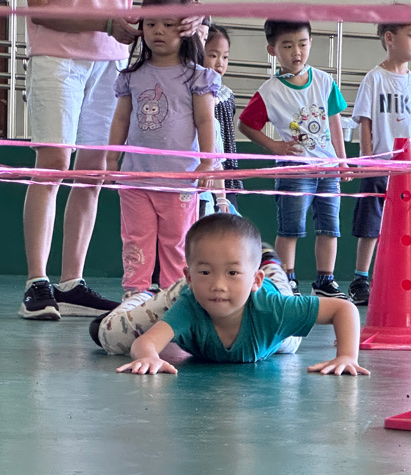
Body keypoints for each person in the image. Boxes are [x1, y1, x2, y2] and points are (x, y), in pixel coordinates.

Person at [98, 214, 369, 375]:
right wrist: (149, 357)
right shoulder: (190, 303)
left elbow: (343, 309)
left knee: (288, 341)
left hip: (268, 297)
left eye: (231, 273)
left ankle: (270, 263)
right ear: (190, 276)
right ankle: (147, 295)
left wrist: (347, 356)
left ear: (255, 280)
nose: (218, 285)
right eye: (206, 272)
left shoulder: (275, 308)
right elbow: (143, 344)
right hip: (188, 292)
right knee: (111, 337)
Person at [19, 0, 139, 320]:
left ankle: (72, 284)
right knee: (53, 163)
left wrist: (194, 14)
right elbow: (40, 10)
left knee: (93, 172)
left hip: (112, 58)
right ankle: (36, 282)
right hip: (57, 54)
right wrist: (107, 24)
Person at [108, 0, 220, 299]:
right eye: (151, 24)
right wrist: (111, 157)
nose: (158, 31)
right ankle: (135, 294)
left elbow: (205, 120)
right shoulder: (131, 76)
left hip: (179, 179)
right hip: (135, 179)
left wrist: (207, 162)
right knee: (135, 239)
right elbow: (121, 119)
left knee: (177, 241)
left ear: (185, 28)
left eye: (168, 25)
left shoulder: (197, 77)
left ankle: (174, 296)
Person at [237, 19, 350, 300]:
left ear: (311, 43)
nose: (296, 52)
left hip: (327, 168)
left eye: (302, 44)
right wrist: (275, 146)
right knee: (291, 228)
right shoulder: (270, 91)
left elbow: (334, 121)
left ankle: (325, 280)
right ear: (272, 50)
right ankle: (287, 279)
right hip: (294, 169)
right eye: (287, 46)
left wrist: (342, 160)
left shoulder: (324, 81)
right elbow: (246, 124)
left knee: (329, 227)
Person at [349, 22, 411, 306]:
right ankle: (361, 278)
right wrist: (368, 159)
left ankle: (402, 277)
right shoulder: (375, 79)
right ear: (389, 38)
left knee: (410, 226)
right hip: (381, 165)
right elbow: (365, 123)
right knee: (371, 223)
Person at [204, 24, 244, 210]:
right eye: (213, 55)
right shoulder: (197, 95)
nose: (220, 63)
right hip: (205, 169)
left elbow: (227, 135)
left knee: (228, 217)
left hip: (225, 169)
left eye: (225, 57)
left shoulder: (227, 94)